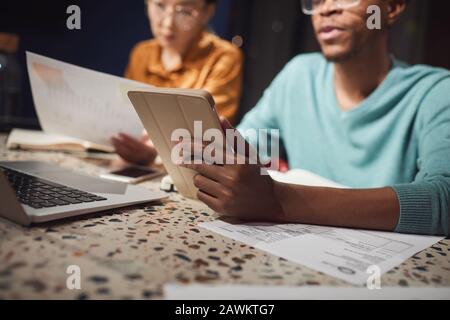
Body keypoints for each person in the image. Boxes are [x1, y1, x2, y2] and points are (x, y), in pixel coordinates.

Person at [182, 0, 450, 236]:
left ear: (391, 8)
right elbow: (254, 140)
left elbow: (443, 198)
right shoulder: (299, 74)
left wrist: (279, 201)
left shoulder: (434, 91)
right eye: (317, 0)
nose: (326, 8)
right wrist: (195, 151)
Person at [111, 0, 243, 165]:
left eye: (185, 12)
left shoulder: (223, 58)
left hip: (193, 167)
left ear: (207, 12)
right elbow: (126, 115)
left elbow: (208, 131)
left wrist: (157, 150)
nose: (168, 23)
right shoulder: (142, 54)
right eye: (160, 6)